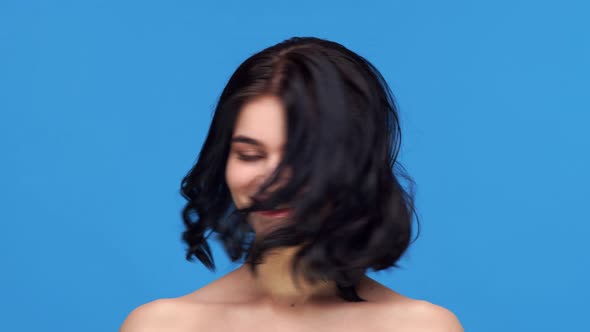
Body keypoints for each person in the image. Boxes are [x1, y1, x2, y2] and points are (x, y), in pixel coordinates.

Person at [120, 36, 463, 331]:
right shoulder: (160, 326)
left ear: (356, 163)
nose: (273, 181)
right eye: (250, 155)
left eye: (302, 156)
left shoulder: (423, 327)